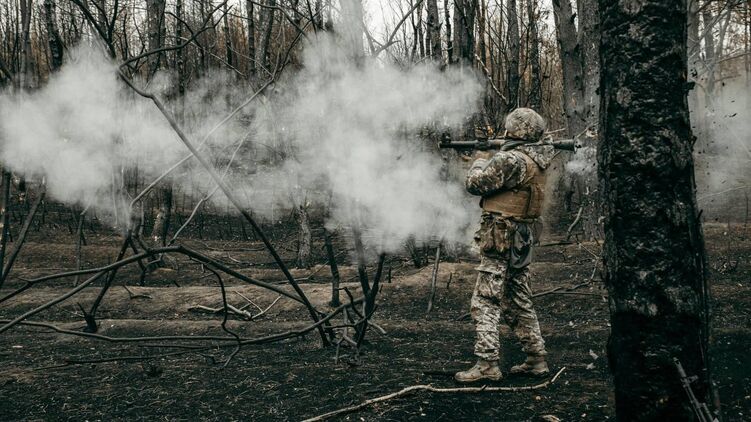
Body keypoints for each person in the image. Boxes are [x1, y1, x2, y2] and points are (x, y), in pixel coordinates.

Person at [455, 108, 553, 383]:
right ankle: (536, 358)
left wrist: (479, 159)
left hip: (501, 236)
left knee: (485, 299)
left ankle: (487, 363)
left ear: (515, 131)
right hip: (521, 237)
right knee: (519, 297)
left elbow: (475, 184)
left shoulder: (511, 159)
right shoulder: (539, 158)